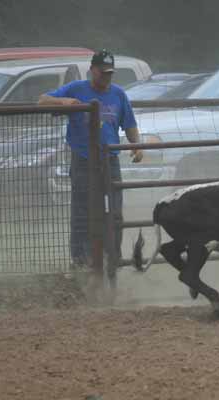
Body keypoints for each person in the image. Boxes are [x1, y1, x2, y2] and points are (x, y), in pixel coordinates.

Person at [38, 49, 143, 268]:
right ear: (92, 70)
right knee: (82, 212)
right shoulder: (77, 88)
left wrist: (136, 145)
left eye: (109, 73)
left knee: (114, 213)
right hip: (84, 160)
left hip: (110, 159)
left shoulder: (118, 94)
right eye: (102, 72)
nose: (106, 77)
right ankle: (81, 261)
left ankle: (111, 258)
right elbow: (42, 100)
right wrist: (64, 102)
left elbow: (129, 123)